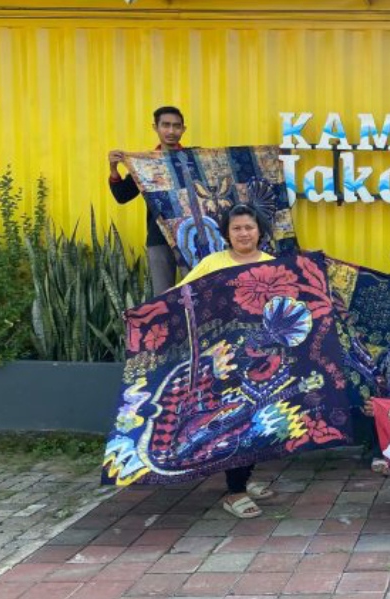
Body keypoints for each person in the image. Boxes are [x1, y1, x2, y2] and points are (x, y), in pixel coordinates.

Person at [176, 203, 276, 518]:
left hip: (262, 356)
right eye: (237, 228)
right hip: (224, 359)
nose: (243, 233)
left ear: (259, 231)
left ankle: (245, 477)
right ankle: (235, 492)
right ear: (226, 233)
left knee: (258, 420)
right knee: (236, 419)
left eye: (249, 227)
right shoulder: (212, 263)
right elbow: (181, 296)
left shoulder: (272, 265)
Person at [109, 106, 187, 295]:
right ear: (155, 127)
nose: (171, 131)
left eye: (176, 126)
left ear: (183, 129)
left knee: (198, 292)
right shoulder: (145, 164)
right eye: (165, 125)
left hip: (191, 236)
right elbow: (122, 196)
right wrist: (113, 169)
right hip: (158, 236)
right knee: (163, 296)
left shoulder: (196, 160)